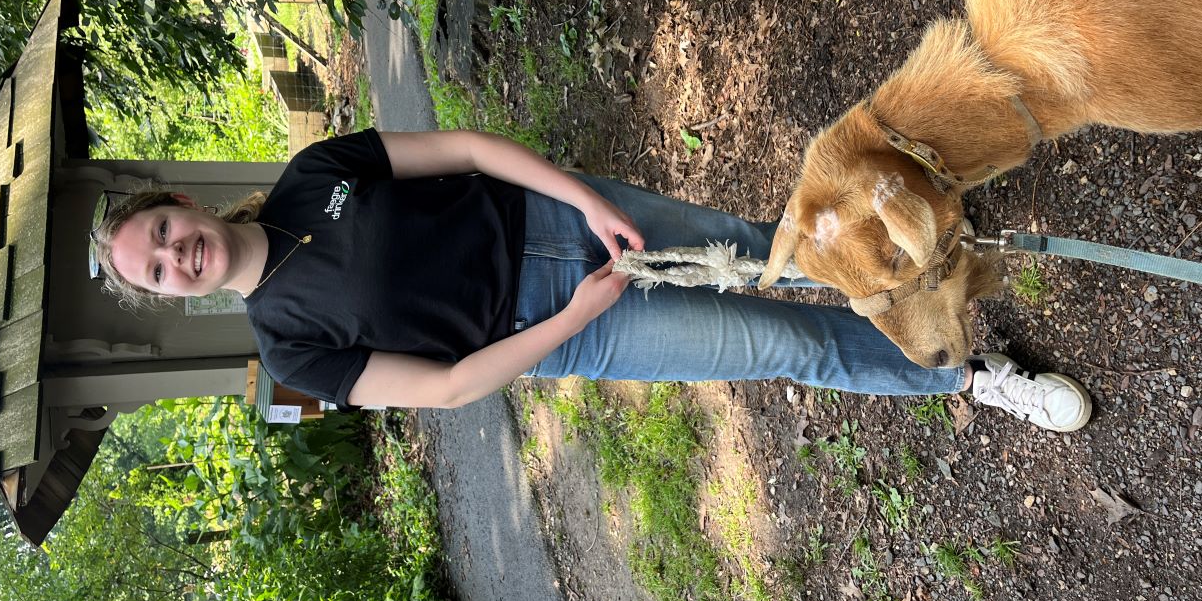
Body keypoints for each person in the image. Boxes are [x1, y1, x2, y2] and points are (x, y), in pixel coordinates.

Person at [91, 128, 1092, 431]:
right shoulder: (288, 347)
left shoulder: (312, 177)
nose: (177, 255)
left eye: (166, 233)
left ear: (182, 208)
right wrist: (575, 314)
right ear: (174, 293)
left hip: (563, 218)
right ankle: (964, 377)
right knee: (778, 343)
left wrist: (586, 201)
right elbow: (443, 386)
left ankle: (933, 263)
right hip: (569, 325)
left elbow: (459, 148)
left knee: (770, 253)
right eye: (159, 271)